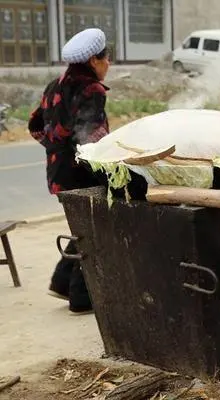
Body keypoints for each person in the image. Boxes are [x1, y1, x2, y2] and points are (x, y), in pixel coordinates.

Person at [28, 28, 111, 315]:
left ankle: (61, 283)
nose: (108, 64)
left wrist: (54, 149)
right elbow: (91, 137)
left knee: (81, 227)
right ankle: (80, 297)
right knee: (94, 229)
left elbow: (34, 124)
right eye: (105, 58)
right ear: (93, 61)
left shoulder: (54, 85)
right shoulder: (92, 90)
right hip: (82, 172)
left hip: (59, 172)